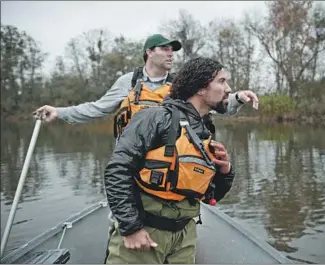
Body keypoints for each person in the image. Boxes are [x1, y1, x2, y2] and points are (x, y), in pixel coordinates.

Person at [104, 56, 235, 264]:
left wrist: (225, 171)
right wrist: (131, 228)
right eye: (222, 81)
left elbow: (211, 196)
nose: (228, 89)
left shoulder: (205, 130)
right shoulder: (155, 118)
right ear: (201, 88)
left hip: (185, 238)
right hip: (144, 233)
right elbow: (117, 171)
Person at [34, 33, 259, 131]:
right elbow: (97, 108)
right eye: (165, 49)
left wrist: (238, 98)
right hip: (132, 159)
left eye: (173, 50)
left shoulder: (179, 84)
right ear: (149, 52)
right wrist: (59, 112)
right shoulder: (128, 81)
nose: (171, 54)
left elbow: (215, 106)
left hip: (167, 160)